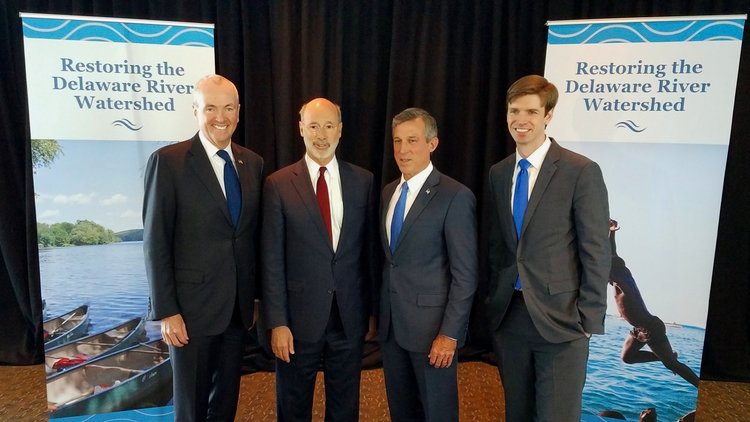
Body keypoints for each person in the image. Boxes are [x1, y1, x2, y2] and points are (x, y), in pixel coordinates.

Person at [485, 74, 611, 421]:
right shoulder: (499, 173)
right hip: (510, 317)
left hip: (562, 320)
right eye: (514, 111)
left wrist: (587, 318)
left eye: (530, 112)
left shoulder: (580, 170)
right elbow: (499, 245)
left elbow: (596, 250)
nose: (520, 120)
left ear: (548, 115)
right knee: (518, 414)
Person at [143, 74, 264, 421]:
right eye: (210, 108)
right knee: (192, 407)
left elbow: (249, 236)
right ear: (195, 111)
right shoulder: (168, 162)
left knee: (225, 402)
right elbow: (156, 241)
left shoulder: (252, 163)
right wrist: (166, 311)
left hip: (237, 312)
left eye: (228, 108)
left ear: (238, 113)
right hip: (189, 313)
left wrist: (254, 297)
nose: (220, 116)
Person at [261, 98, 377, 421]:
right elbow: (272, 261)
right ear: (301, 129)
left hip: (349, 318)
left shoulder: (363, 181)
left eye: (328, 126)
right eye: (313, 126)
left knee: (345, 408)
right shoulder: (278, 184)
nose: (321, 134)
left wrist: (370, 311)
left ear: (340, 130)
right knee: (294, 409)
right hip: (297, 323)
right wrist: (278, 322)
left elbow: (367, 253)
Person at [379, 107, 478, 421]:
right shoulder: (388, 193)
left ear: (432, 144)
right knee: (402, 412)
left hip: (433, 333)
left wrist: (449, 334)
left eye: (412, 140)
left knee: (438, 413)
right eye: (397, 141)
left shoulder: (455, 196)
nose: (403, 150)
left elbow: (465, 274)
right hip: (392, 327)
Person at [609, 220, 700, 387]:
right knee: (627, 358)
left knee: (672, 365)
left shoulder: (622, 281)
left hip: (649, 327)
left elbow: (610, 258)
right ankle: (667, 356)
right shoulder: (621, 277)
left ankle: (704, 390)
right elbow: (613, 256)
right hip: (641, 327)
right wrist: (612, 232)